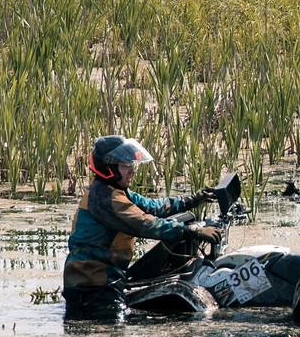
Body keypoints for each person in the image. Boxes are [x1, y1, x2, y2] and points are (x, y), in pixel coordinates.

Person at [63, 135, 223, 320]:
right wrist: (189, 231)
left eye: (131, 165)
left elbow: (151, 206)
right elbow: (144, 223)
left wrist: (192, 200)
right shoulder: (105, 199)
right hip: (93, 285)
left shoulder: (114, 191)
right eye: (125, 166)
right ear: (109, 169)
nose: (131, 170)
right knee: (110, 336)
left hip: (103, 280)